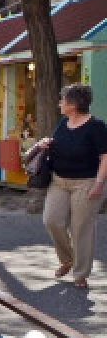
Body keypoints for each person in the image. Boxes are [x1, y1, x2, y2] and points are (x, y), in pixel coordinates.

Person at [38, 84, 107, 288]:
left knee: (81, 229)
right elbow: (55, 143)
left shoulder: (96, 127)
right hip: (59, 181)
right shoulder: (62, 123)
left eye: (63, 99)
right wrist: (44, 144)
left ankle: (80, 274)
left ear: (74, 104)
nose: (60, 103)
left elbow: (105, 157)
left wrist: (99, 184)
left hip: (85, 183)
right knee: (52, 220)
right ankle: (67, 259)